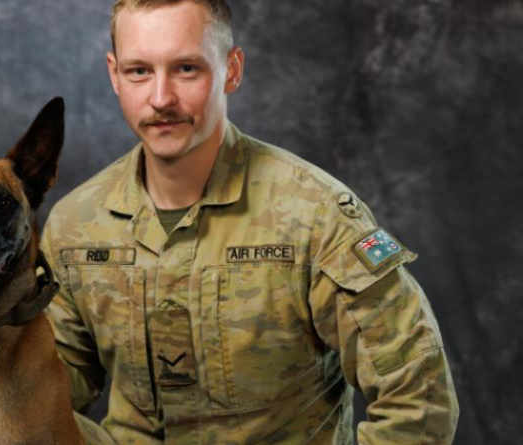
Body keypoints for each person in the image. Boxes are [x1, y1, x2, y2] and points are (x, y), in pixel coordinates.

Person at [39, 0, 459, 443]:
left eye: (186, 69)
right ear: (114, 74)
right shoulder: (76, 224)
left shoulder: (313, 216)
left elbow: (417, 391)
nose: (160, 98)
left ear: (232, 69)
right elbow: (48, 389)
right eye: (139, 71)